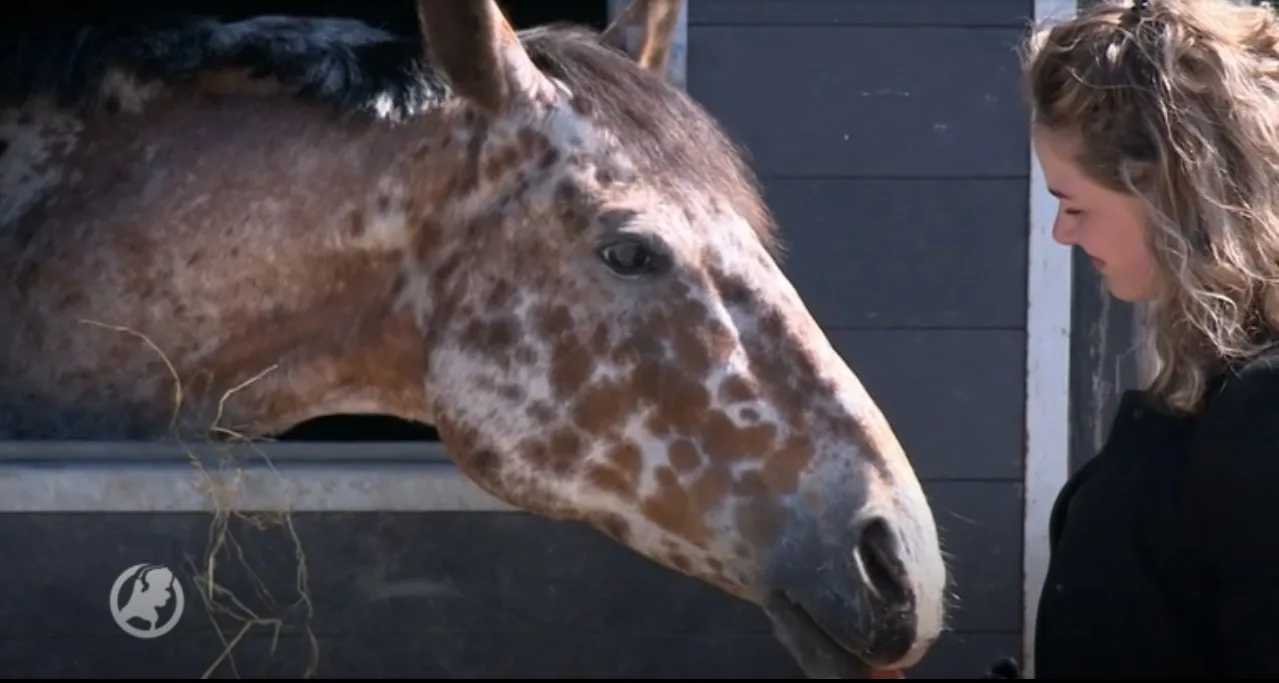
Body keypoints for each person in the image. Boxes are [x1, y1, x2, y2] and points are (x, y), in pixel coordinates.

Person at [988, 0, 1279, 677]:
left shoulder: (1263, 416)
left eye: (1072, 204)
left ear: (1164, 190)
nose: (1061, 234)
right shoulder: (1219, 395)